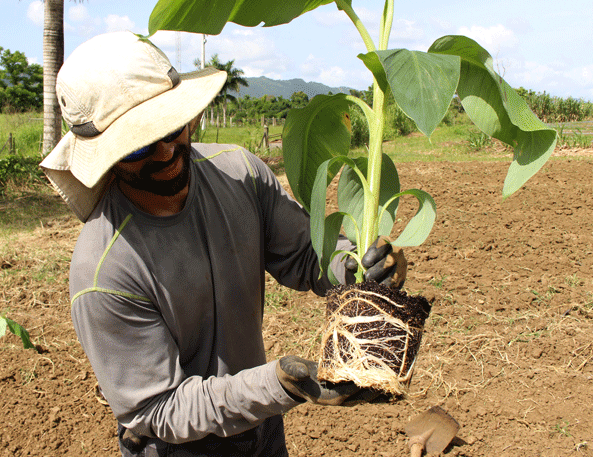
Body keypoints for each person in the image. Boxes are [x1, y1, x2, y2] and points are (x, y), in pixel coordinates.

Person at [40, 31, 406, 457]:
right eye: (139, 146)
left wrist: (361, 267)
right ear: (107, 156)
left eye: (171, 126)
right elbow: (159, 409)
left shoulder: (238, 173)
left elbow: (306, 256)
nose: (165, 151)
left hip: (263, 430)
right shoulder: (104, 271)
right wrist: (274, 385)